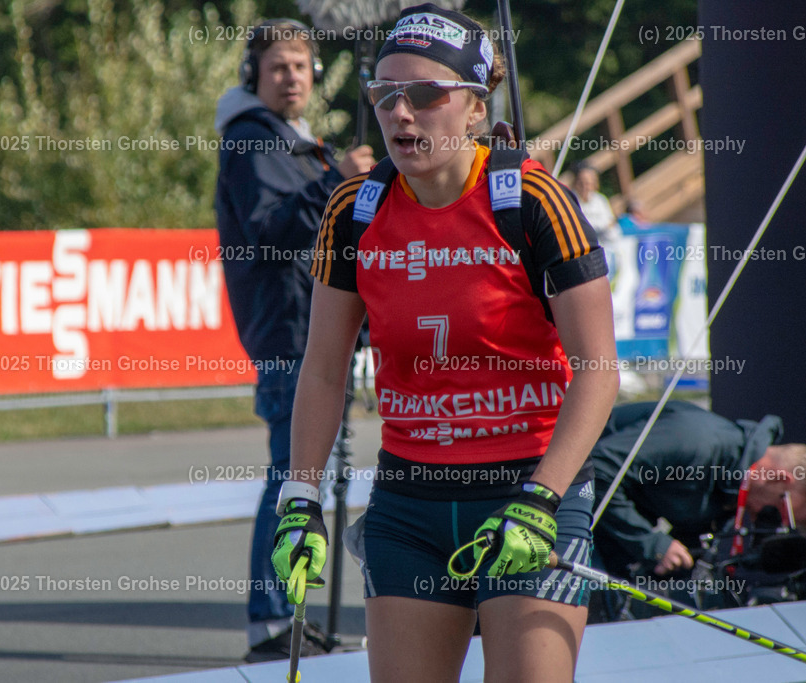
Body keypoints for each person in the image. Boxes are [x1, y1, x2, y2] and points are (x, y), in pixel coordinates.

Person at [270, 4, 620, 680]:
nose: (401, 113)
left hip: (527, 491)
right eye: (385, 94)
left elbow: (599, 369)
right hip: (410, 505)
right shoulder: (355, 211)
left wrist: (542, 498)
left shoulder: (533, 202)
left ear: (475, 108)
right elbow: (323, 370)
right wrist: (300, 498)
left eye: (427, 94)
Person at [213, 18, 375, 662]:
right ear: (253, 74)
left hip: (310, 333)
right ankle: (274, 621)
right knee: (292, 477)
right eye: (278, 66)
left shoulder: (295, 141)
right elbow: (270, 230)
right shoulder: (253, 139)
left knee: (301, 474)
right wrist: (335, 180)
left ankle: (287, 618)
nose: (292, 77)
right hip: (289, 335)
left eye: (302, 66)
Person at [589, 400, 806, 583]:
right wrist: (651, 544)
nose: (771, 520)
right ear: (778, 479)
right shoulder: (698, 440)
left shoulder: (729, 496)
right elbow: (597, 469)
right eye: (781, 510)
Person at [571, 163, 615, 238]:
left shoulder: (600, 199)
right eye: (581, 183)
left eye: (587, 184)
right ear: (575, 183)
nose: (584, 187)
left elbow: (610, 222)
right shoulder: (571, 200)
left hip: (604, 239)